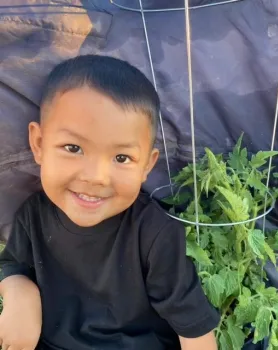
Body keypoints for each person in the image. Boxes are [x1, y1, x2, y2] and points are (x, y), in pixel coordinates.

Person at [0, 55, 219, 350]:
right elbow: (13, 263)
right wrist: (18, 293)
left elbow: (192, 328)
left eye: (121, 158)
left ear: (146, 166)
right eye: (73, 147)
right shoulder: (34, 215)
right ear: (38, 144)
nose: (96, 177)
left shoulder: (155, 234)